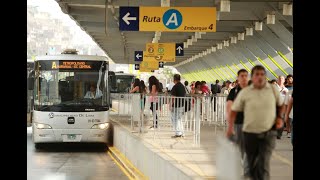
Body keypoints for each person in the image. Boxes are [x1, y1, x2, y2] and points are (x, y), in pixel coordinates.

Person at [227, 65, 284, 180]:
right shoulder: (245, 92)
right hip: (250, 132)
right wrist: (230, 127)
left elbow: (281, 104)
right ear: (252, 77)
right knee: (252, 162)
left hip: (268, 132)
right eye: (257, 74)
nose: (260, 77)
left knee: (264, 162)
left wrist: (279, 117)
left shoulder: (273, 89)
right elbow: (233, 110)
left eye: (262, 74)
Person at [226, 69, 249, 176]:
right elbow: (229, 107)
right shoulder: (233, 91)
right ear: (238, 78)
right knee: (240, 147)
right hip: (239, 123)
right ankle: (241, 167)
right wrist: (230, 125)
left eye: (246, 76)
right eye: (242, 76)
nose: (244, 78)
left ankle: (247, 170)